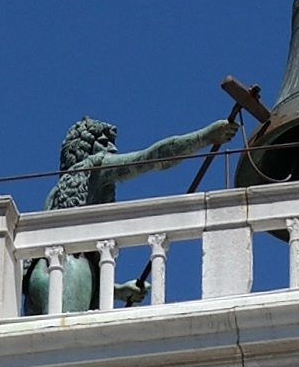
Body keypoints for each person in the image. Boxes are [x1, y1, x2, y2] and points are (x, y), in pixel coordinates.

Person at [24, 113, 239, 316]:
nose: (112, 148)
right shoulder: (96, 168)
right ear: (87, 148)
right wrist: (206, 137)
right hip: (69, 271)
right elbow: (152, 157)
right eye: (103, 142)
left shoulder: (56, 192)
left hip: (42, 276)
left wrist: (117, 291)